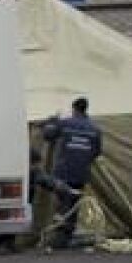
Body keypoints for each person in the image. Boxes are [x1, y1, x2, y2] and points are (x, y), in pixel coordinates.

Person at [40, 96, 102, 248]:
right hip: (81, 173)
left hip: (64, 171)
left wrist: (50, 122)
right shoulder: (95, 129)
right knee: (74, 204)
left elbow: (48, 135)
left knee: (62, 202)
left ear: (74, 108)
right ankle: (67, 235)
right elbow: (96, 152)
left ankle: (60, 238)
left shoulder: (66, 123)